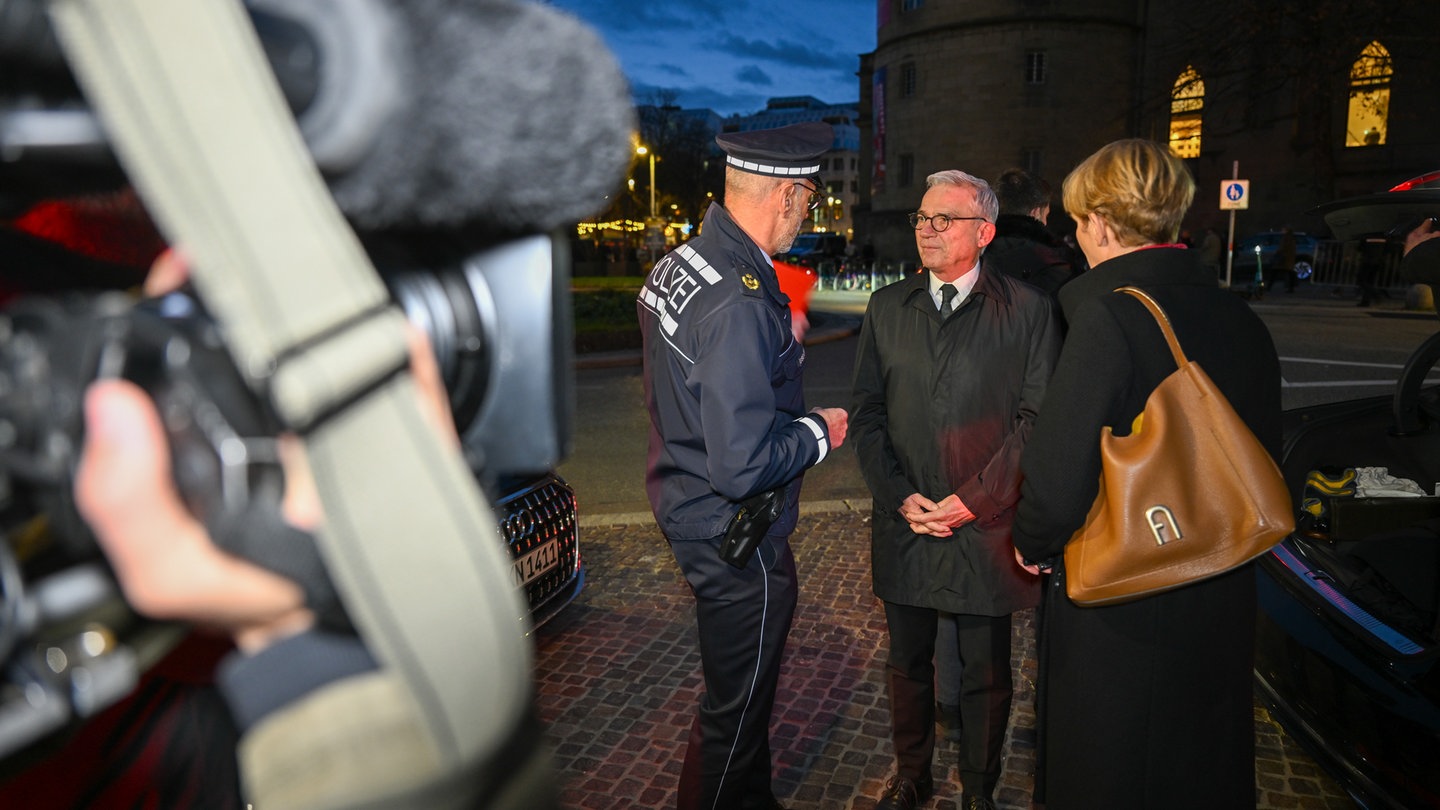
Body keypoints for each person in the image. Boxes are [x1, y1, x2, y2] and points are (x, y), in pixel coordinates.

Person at [1011, 138, 1282, 809]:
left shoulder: (1108, 316)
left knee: (1115, 767)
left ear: (1103, 223)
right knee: (1195, 765)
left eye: (1079, 221)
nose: (1076, 235)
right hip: (1220, 582)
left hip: (1127, 595)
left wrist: (1033, 541)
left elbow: (1057, 472)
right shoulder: (1241, 316)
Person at [636, 121, 849, 810]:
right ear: (785, 196)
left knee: (738, 702)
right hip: (736, 535)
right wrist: (820, 431)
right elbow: (742, 464)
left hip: (686, 501)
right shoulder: (738, 298)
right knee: (735, 716)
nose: (807, 214)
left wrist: (770, 353)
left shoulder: (686, 261)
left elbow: (695, 380)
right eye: (809, 201)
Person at [850, 170, 1061, 810]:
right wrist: (898, 497)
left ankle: (978, 790)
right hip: (907, 523)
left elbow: (1036, 421)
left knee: (986, 674)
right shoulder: (888, 307)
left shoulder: (1027, 311)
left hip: (985, 526)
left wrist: (974, 499)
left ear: (985, 231)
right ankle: (912, 776)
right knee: (908, 666)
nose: (927, 230)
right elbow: (866, 414)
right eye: (922, 218)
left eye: (945, 219)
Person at [983, 167, 1075, 303]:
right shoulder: (1057, 261)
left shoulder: (975, 256)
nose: (1045, 222)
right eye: (1046, 215)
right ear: (1036, 213)